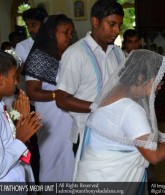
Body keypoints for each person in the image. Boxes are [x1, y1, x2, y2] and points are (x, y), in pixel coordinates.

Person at [74, 50, 165, 192]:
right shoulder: (130, 109)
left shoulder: (112, 95)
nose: (159, 87)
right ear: (140, 77)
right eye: (157, 81)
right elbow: (154, 156)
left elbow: (126, 137)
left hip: (92, 176)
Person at [55, 0, 125, 165]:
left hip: (115, 132)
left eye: (119, 25)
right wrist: (99, 105)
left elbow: (123, 88)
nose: (117, 31)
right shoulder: (76, 54)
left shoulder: (118, 53)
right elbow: (61, 99)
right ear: (95, 21)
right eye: (112, 24)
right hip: (87, 134)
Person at [25, 14, 75, 182]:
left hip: (69, 115)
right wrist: (58, 95)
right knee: (51, 158)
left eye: (71, 32)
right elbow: (33, 91)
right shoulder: (39, 57)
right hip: (50, 117)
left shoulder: (69, 56)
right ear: (53, 33)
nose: (69, 36)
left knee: (69, 156)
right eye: (65, 32)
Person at [0, 49, 42, 182]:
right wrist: (20, 140)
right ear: (0, 80)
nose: (16, 82)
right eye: (14, 77)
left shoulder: (0, 106)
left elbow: (6, 141)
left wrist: (21, 119)